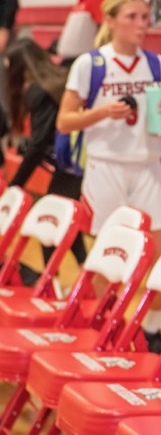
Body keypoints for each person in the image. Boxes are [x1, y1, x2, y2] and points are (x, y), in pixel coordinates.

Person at [56, 0, 161, 353]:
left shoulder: (155, 63)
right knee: (106, 258)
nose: (142, 24)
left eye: (145, 16)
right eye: (133, 17)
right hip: (106, 168)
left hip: (148, 167)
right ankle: (97, 324)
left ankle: (151, 329)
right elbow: (64, 121)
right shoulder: (89, 64)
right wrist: (101, 112)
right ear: (110, 20)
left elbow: (160, 129)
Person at [4, 38, 87, 282]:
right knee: (62, 220)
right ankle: (68, 280)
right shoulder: (58, 79)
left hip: (73, 165)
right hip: (78, 162)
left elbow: (40, 142)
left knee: (49, 221)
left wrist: (15, 183)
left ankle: (52, 283)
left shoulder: (40, 89)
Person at [0, 0, 20, 165]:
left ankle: (12, 132)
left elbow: (10, 3)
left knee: (4, 89)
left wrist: (4, 29)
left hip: (1, 35)